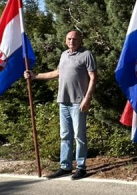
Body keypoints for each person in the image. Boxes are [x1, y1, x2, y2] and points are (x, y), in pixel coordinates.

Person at [25, 29, 97, 180]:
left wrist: (87, 98)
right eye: (69, 39)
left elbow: (93, 77)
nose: (72, 41)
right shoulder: (64, 55)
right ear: (65, 40)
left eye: (75, 39)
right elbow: (57, 72)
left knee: (79, 135)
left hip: (78, 101)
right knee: (65, 135)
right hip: (63, 101)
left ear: (80, 40)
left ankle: (81, 167)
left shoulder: (87, 55)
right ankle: (65, 166)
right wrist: (35, 76)